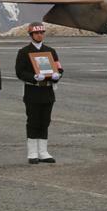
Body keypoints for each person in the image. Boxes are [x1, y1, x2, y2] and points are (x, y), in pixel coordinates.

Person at [14, 22, 64, 164]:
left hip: (47, 91)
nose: (39, 35)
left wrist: (57, 75)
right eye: (36, 33)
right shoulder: (24, 52)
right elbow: (20, 72)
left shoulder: (51, 51)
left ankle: (43, 151)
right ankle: (32, 152)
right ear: (31, 35)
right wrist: (33, 77)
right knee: (33, 121)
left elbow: (59, 68)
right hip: (33, 91)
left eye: (41, 32)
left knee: (45, 121)